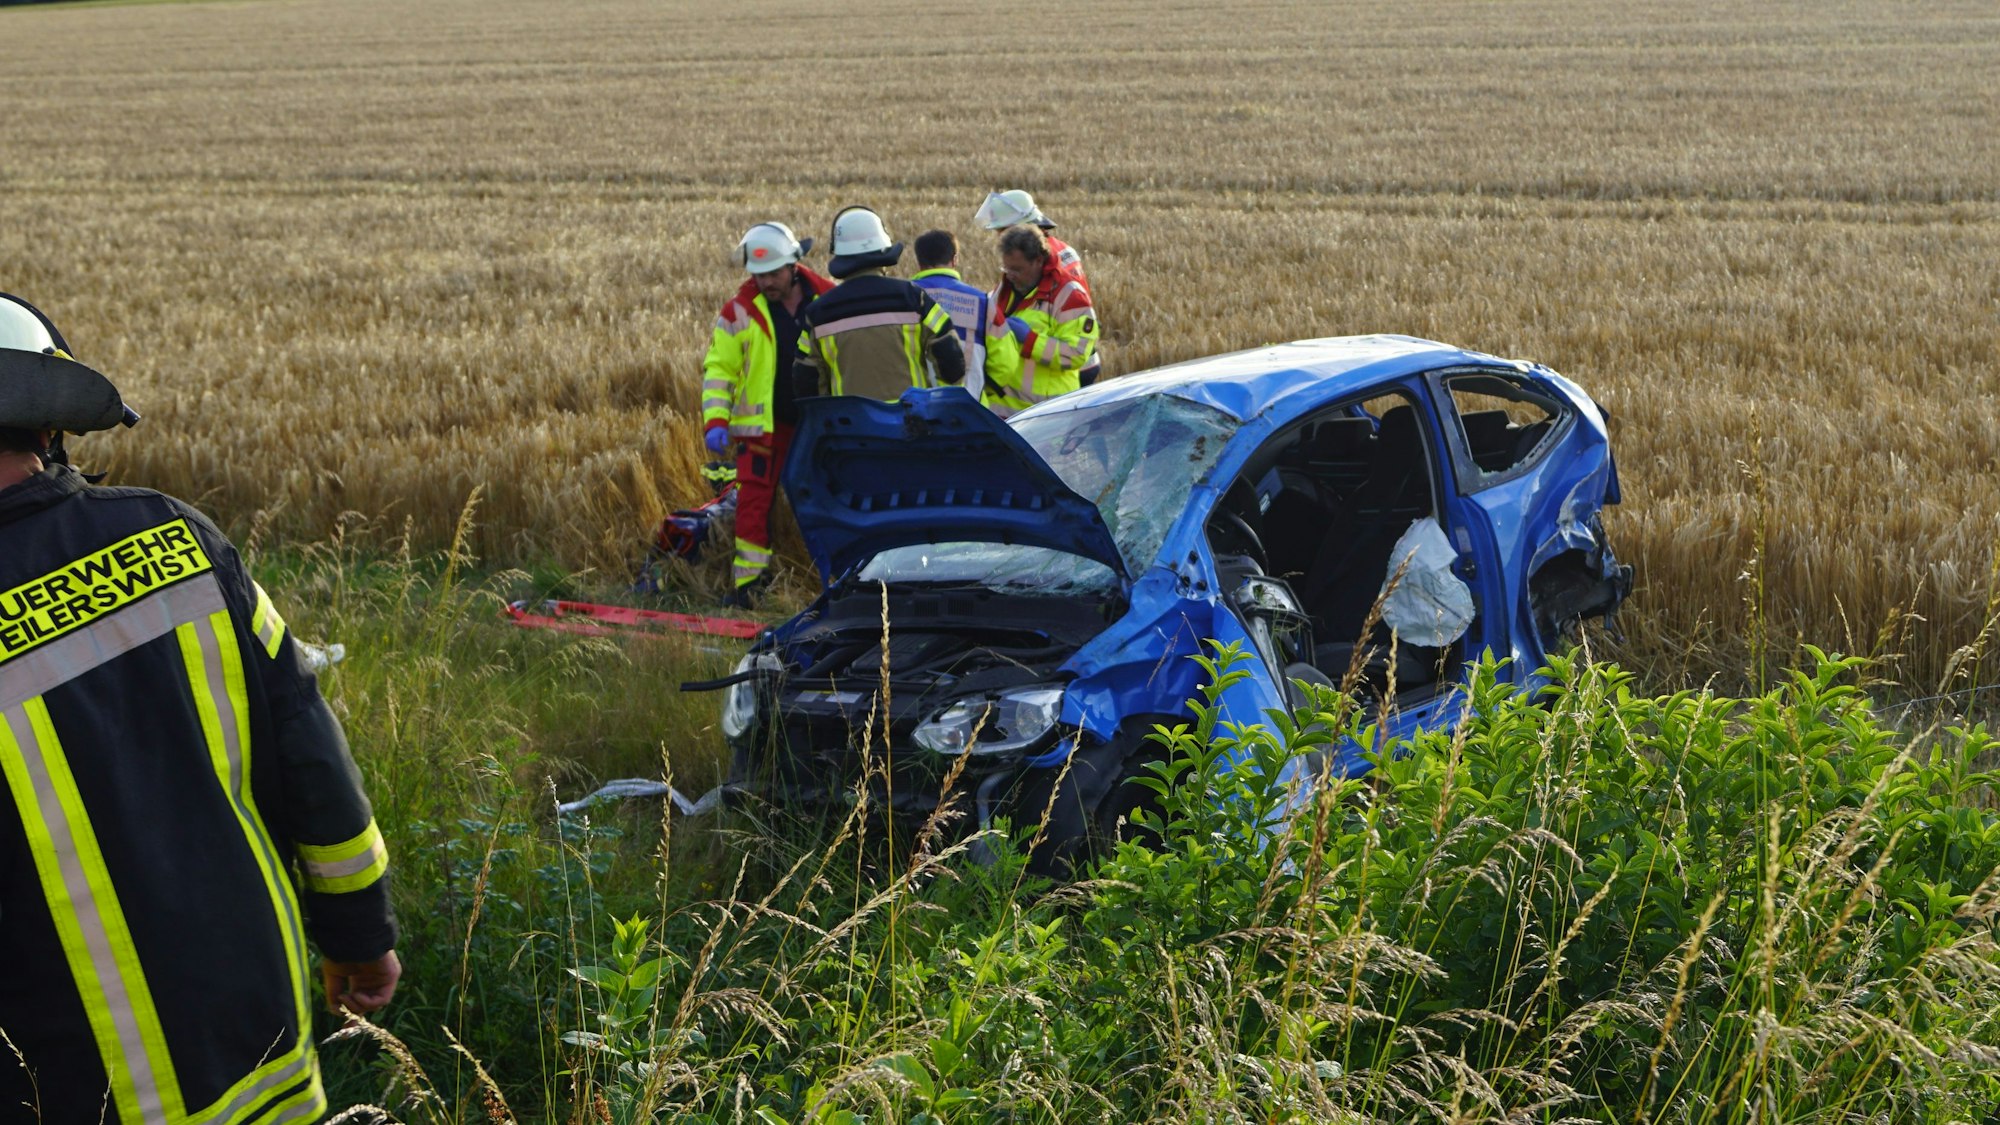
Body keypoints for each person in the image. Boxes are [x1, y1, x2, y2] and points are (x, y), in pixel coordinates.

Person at [0, 293, 399, 1124]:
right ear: (49, 423)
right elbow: (311, 758)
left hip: (68, 1091)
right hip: (261, 1063)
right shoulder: (179, 541)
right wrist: (361, 938)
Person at [700, 222, 834, 608]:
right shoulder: (739, 311)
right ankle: (749, 586)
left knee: (824, 499)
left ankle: (831, 579)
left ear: (794, 265)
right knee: (753, 503)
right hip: (763, 430)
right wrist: (715, 421)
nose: (766, 282)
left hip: (818, 426)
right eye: (759, 275)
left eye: (774, 273)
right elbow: (719, 370)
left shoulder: (828, 298)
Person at [792, 207, 965, 403]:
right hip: (910, 418)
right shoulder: (914, 298)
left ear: (838, 253)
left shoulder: (819, 313)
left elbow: (806, 381)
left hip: (850, 421)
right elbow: (951, 360)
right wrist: (939, 405)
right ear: (884, 249)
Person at [973, 189, 1103, 386]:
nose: (999, 237)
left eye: (1002, 230)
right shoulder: (1058, 248)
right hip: (1081, 359)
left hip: (1066, 367)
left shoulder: (1043, 260)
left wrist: (1026, 337)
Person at [983, 225, 1100, 418]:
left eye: (1017, 269)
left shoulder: (1069, 295)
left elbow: (1076, 354)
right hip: (1002, 412)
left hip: (1046, 414)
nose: (1010, 275)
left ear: (1038, 261)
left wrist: (1030, 341)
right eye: (1006, 268)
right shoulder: (1006, 286)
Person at [910, 229, 1005, 403]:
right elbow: (1005, 364)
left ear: (918, 262)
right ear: (955, 260)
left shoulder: (905, 299)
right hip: (970, 409)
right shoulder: (983, 302)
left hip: (917, 411)